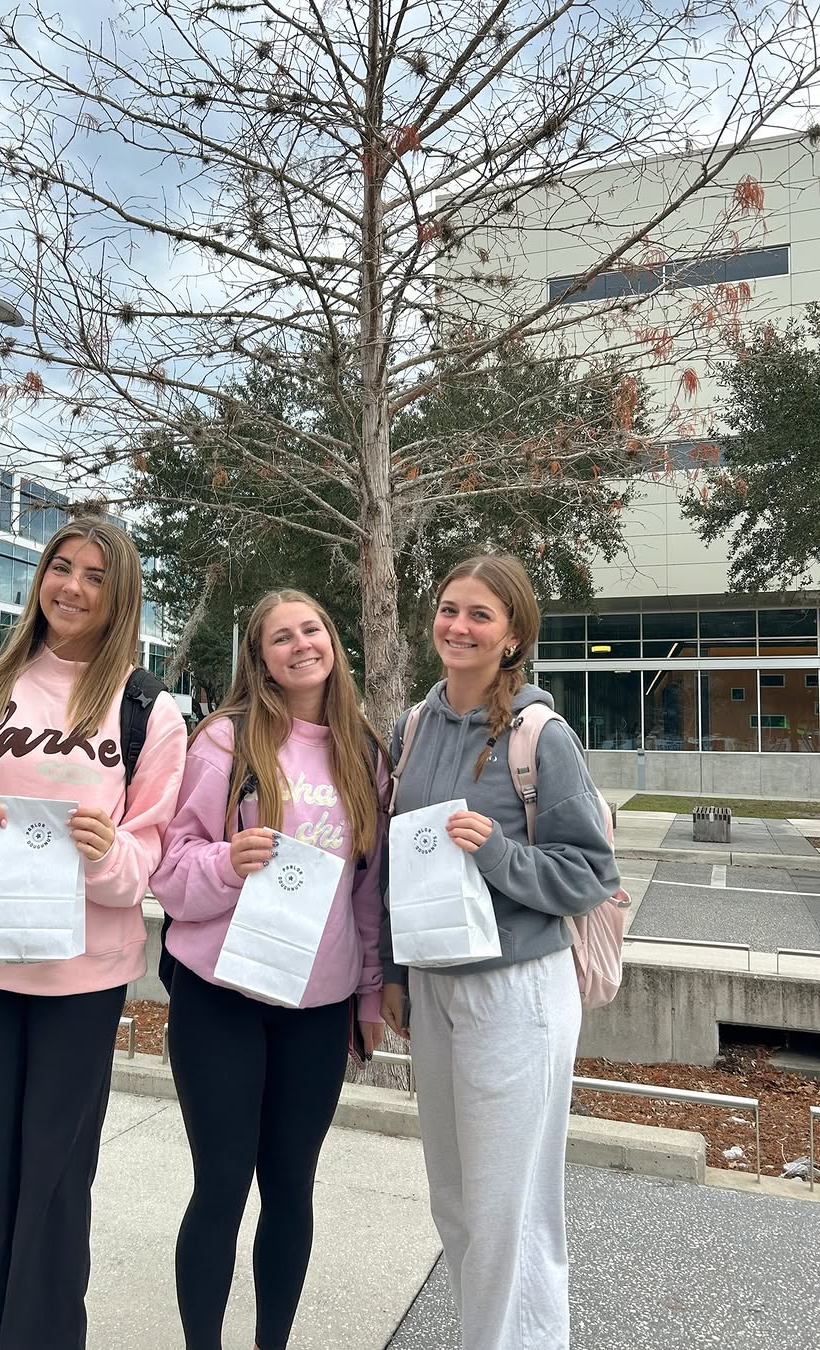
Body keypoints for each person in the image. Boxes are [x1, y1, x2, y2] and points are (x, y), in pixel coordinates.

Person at [0, 515, 187, 1350]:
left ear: (118, 592)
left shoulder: (146, 710)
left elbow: (153, 853)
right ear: (40, 576)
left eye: (96, 575)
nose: (74, 588)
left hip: (80, 980)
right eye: (63, 567)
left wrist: (107, 851)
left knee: (55, 1185)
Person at [380, 555, 619, 1350]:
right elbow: (393, 861)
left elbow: (591, 872)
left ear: (513, 634)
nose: (459, 626)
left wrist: (500, 858)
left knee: (505, 1206)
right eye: (450, 609)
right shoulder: (412, 728)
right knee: (455, 1200)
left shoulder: (539, 736)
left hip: (516, 990)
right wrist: (392, 976)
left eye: (480, 615)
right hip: (435, 984)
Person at [151, 589, 389, 1350]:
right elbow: (170, 869)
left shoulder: (365, 751)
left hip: (316, 1007)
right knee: (220, 1187)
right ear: (260, 658)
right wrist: (227, 861)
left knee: (291, 1190)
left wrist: (370, 994)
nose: (299, 645)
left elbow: (367, 891)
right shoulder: (225, 740)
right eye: (280, 637)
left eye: (311, 629)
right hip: (221, 995)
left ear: (332, 641)